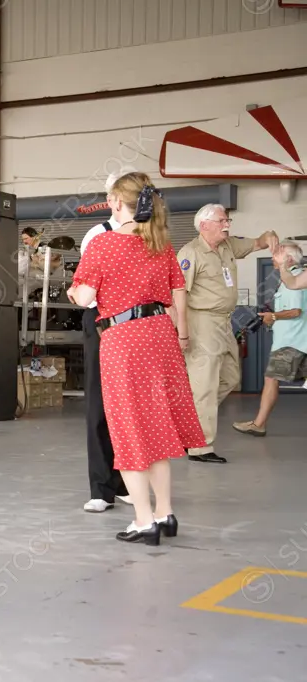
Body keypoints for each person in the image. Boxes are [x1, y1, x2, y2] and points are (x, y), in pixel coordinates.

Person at [67, 172, 205, 545]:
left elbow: (83, 298)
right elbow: (178, 293)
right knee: (158, 426)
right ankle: (165, 512)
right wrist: (182, 332)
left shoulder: (103, 244)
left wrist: (72, 288)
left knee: (127, 427)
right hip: (160, 334)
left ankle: (143, 521)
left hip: (124, 339)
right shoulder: (162, 245)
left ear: (115, 202)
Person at [176, 205, 279, 463]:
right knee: (206, 387)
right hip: (201, 321)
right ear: (204, 225)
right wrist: (181, 333)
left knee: (231, 376)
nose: (227, 224)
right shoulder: (190, 253)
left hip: (224, 322)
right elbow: (177, 296)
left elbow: (256, 243)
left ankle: (185, 419)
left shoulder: (228, 246)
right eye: (222, 220)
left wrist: (269, 236)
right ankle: (199, 447)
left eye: (227, 219)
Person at [78, 172, 130, 513]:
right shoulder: (97, 236)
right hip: (101, 321)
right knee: (99, 404)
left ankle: (126, 480)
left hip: (137, 327)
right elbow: (86, 289)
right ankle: (101, 487)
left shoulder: (147, 236)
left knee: (130, 407)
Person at [233, 242, 307, 436]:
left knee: (271, 378)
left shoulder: (296, 278)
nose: (273, 257)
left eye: (277, 255)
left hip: (291, 341)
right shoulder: (289, 278)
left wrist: (273, 317)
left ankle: (259, 424)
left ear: (289, 259)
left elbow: (296, 311)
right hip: (295, 340)